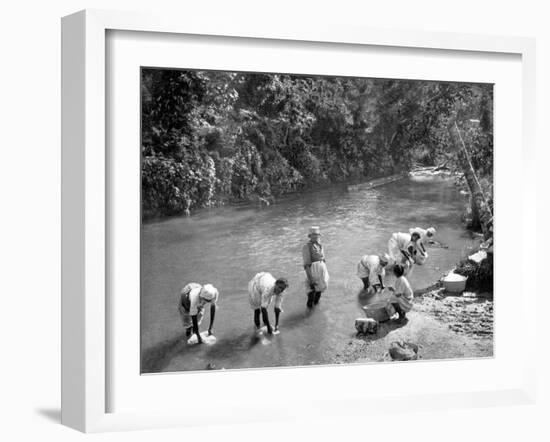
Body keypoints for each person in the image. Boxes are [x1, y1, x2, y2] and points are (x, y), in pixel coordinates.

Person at [302, 226, 330, 308]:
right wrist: (311, 279)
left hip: (321, 271)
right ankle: (308, 313)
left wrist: (325, 273)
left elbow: (323, 259)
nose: (316, 236)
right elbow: (307, 265)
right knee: (311, 293)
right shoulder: (307, 247)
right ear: (310, 236)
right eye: (313, 235)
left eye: (317, 235)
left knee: (319, 292)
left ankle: (315, 311)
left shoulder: (320, 245)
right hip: (312, 271)